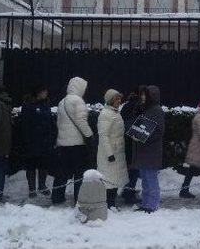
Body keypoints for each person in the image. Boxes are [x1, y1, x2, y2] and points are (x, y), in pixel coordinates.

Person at [51, 76, 94, 205]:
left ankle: (57, 197)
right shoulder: (78, 101)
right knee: (79, 173)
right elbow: (81, 121)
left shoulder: (62, 101)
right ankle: (78, 198)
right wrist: (90, 135)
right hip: (77, 144)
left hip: (62, 144)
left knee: (61, 173)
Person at [131, 85, 165, 213]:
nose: (142, 97)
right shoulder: (147, 109)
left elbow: (158, 131)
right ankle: (146, 203)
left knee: (150, 178)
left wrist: (141, 137)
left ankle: (152, 205)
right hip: (144, 150)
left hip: (151, 151)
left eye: (145, 95)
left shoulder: (156, 110)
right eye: (142, 94)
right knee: (145, 179)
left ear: (152, 96)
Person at [20, 84, 54, 198]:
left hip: (44, 141)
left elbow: (49, 122)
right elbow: (25, 124)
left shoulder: (46, 104)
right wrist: (27, 140)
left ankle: (42, 185)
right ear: (38, 92)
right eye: (44, 91)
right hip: (32, 141)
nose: (46, 93)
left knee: (43, 165)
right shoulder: (28, 105)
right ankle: (31, 188)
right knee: (31, 165)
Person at [97, 89, 128, 209]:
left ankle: (112, 204)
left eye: (120, 98)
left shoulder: (115, 112)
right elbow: (103, 135)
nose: (119, 101)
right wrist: (109, 153)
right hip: (109, 153)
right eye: (117, 99)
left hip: (117, 151)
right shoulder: (105, 114)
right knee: (109, 179)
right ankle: (109, 205)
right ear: (110, 100)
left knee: (115, 179)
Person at [120, 87, 142, 205]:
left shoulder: (125, 106)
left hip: (125, 140)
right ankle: (129, 194)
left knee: (130, 169)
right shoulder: (137, 107)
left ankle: (127, 191)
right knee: (133, 169)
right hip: (133, 141)